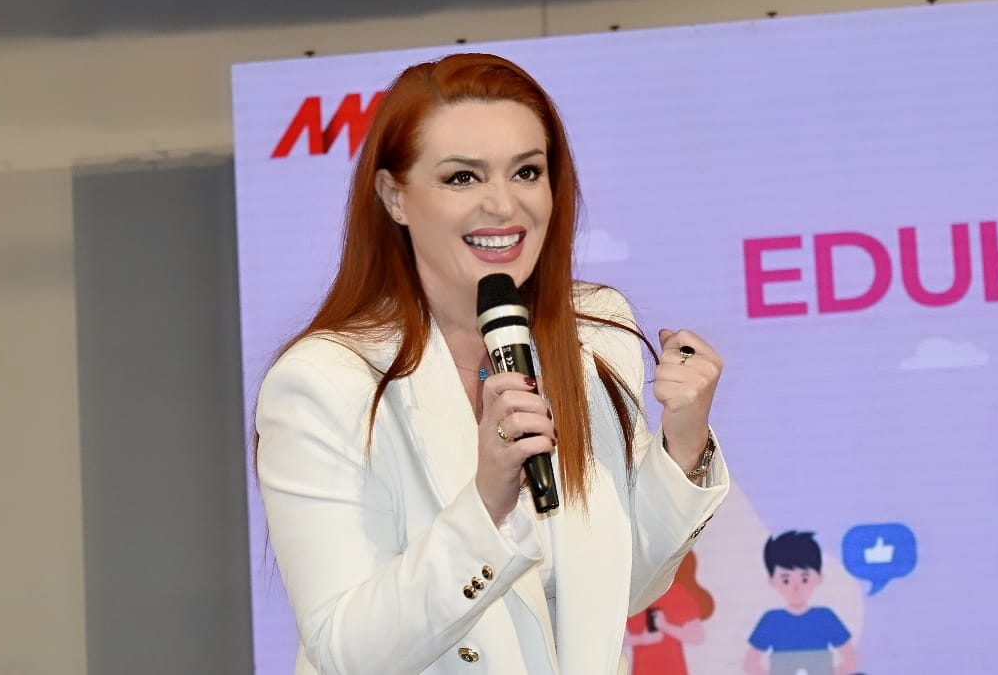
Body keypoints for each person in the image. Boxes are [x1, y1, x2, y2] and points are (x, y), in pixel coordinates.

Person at [255, 53, 729, 674]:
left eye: (527, 172)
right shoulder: (323, 382)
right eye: (462, 178)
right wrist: (486, 504)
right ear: (395, 197)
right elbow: (347, 652)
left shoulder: (592, 333)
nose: (504, 206)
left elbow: (618, 590)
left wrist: (684, 442)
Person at [744, 531, 860, 675]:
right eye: (786, 580)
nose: (796, 587)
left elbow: (851, 659)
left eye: (804, 579)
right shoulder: (771, 620)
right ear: (772, 581)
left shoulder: (824, 617)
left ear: (819, 577)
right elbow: (750, 663)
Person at [624, 549, 716, 675]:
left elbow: (698, 636)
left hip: (674, 670)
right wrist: (642, 639)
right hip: (642, 670)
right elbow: (612, 640)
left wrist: (666, 626)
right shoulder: (630, 595)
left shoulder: (678, 593)